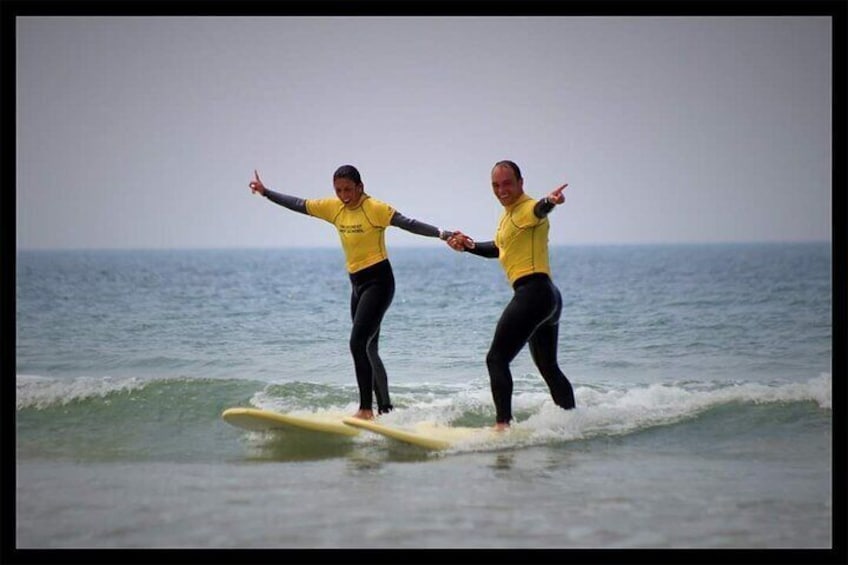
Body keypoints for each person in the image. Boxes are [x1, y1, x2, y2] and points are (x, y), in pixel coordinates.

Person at [249, 165, 459, 421]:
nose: (344, 195)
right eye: (338, 190)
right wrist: (266, 192)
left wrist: (443, 234)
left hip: (379, 282)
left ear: (360, 186)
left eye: (348, 189)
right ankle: (385, 409)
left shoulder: (375, 209)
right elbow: (298, 204)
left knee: (357, 343)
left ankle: (365, 410)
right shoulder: (333, 208)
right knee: (369, 348)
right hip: (357, 285)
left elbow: (409, 223)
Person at [446, 160, 576, 430]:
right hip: (548, 297)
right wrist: (469, 246)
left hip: (533, 294)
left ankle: (502, 426)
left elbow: (540, 210)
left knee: (496, 358)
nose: (501, 189)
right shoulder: (508, 216)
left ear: (520, 183)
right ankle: (572, 421)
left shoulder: (527, 208)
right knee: (549, 367)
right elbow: (498, 247)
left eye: (507, 183)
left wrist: (551, 201)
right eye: (496, 185)